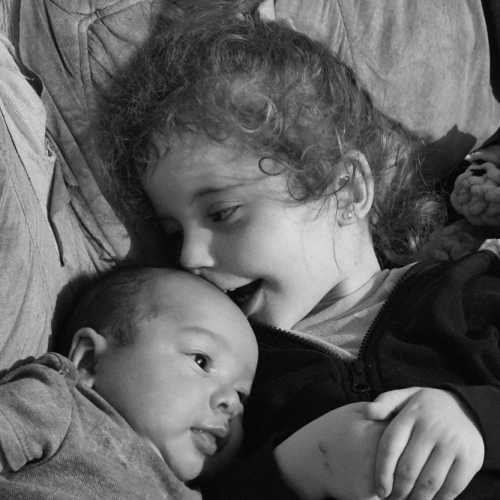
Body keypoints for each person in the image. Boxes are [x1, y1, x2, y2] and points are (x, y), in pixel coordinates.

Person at [100, 6, 500, 500]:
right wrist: (296, 469)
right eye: (174, 233)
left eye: (222, 213)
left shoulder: (468, 290)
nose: (189, 258)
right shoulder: (231, 379)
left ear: (348, 190)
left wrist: (477, 418)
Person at [0, 266, 258, 500]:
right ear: (90, 360)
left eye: (241, 393)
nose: (231, 402)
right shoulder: (60, 407)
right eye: (201, 361)